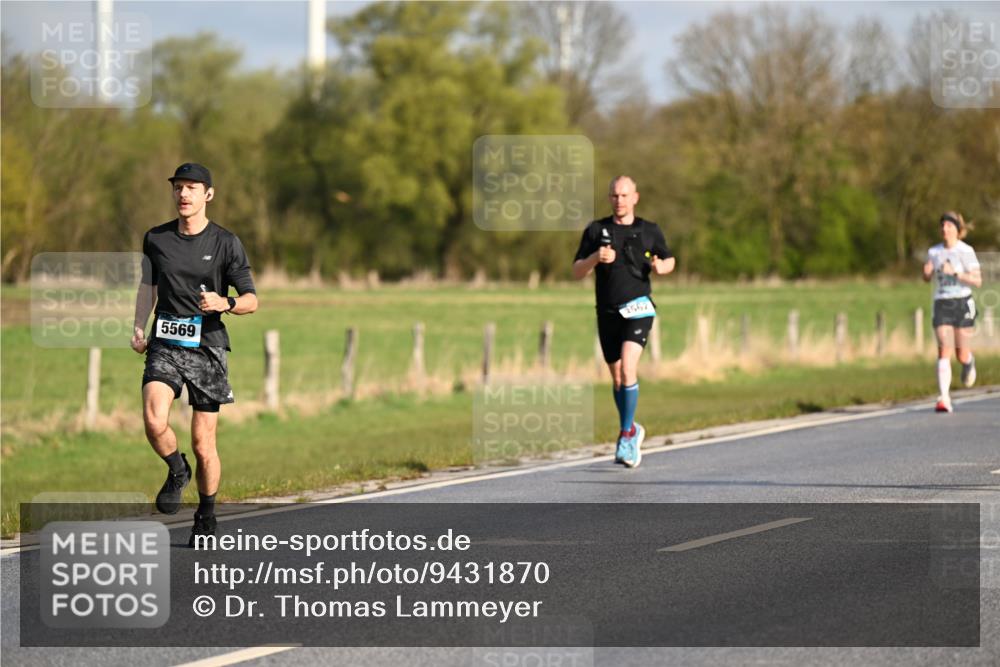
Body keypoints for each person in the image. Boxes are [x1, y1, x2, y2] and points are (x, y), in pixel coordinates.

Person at [131, 163, 258, 545]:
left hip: (208, 346)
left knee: (204, 443)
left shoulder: (225, 242)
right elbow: (146, 287)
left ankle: (206, 512)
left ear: (208, 194)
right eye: (178, 188)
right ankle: (175, 468)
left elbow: (252, 300)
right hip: (165, 342)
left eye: (192, 188)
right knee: (154, 420)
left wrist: (226, 302)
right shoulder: (156, 239)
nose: (183, 194)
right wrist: (139, 326)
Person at [572, 176, 675, 468]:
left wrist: (660, 266)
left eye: (624, 195)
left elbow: (669, 259)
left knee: (630, 367)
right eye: (615, 195)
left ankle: (627, 434)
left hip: (639, 307)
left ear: (635, 197)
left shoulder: (649, 230)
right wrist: (595, 258)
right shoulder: (596, 230)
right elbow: (577, 271)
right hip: (607, 311)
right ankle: (631, 427)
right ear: (610, 198)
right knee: (618, 378)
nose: (620, 200)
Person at [922, 211, 981, 413]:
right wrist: (927, 272)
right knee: (943, 348)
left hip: (963, 302)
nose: (944, 229)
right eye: (942, 225)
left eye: (949, 225)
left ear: (957, 229)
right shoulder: (934, 252)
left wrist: (955, 272)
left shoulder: (966, 251)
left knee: (961, 353)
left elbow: (977, 281)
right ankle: (943, 398)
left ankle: (968, 362)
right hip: (942, 302)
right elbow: (927, 277)